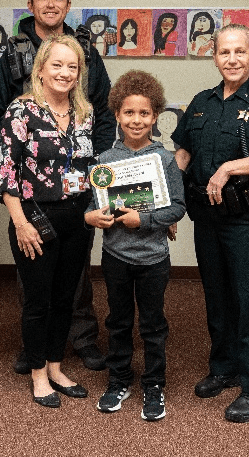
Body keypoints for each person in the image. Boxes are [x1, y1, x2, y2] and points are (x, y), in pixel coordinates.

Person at [0, 0, 114, 373]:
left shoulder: (86, 52)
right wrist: (6, 174)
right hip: (32, 194)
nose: (51, 4)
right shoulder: (10, 52)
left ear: (68, 6)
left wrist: (97, 162)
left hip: (76, 191)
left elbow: (103, 110)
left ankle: (83, 338)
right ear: (31, 3)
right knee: (35, 275)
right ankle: (34, 348)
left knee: (76, 274)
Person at [172, 24, 249, 423]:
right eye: (225, 52)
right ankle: (224, 367)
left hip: (245, 221)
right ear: (215, 57)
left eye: (240, 52)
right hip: (206, 219)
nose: (232, 59)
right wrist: (168, 197)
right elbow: (183, 150)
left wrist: (229, 167)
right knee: (217, 297)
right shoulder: (201, 102)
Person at [0, 35, 94, 408]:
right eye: (57, 64)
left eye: (72, 66)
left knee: (65, 297)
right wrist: (20, 222)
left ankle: (55, 365)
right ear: (40, 69)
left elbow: (89, 168)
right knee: (38, 301)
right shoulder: (21, 111)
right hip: (34, 217)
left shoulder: (84, 113)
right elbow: (5, 173)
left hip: (77, 218)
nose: (65, 72)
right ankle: (38, 373)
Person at [85, 70, 186, 422]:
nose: (136, 120)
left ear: (155, 116)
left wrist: (142, 221)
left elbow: (177, 207)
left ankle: (154, 383)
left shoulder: (166, 160)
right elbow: (91, 205)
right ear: (117, 115)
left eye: (144, 114)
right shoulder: (103, 162)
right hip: (115, 257)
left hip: (154, 258)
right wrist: (91, 218)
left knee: (154, 324)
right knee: (118, 321)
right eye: (129, 113)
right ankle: (118, 380)